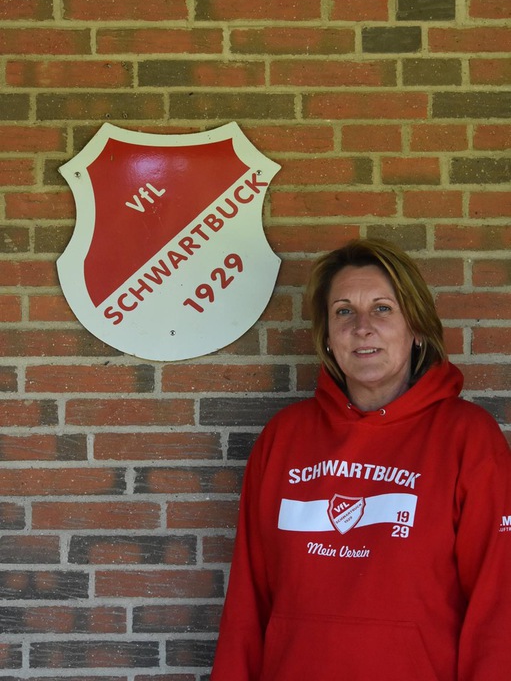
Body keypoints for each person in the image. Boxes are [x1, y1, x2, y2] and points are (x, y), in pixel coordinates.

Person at [210, 237, 511, 681]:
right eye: (344, 311)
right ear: (328, 337)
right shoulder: (284, 437)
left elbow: (498, 607)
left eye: (382, 309)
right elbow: (246, 602)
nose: (362, 327)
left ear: (417, 329)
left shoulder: (469, 438)